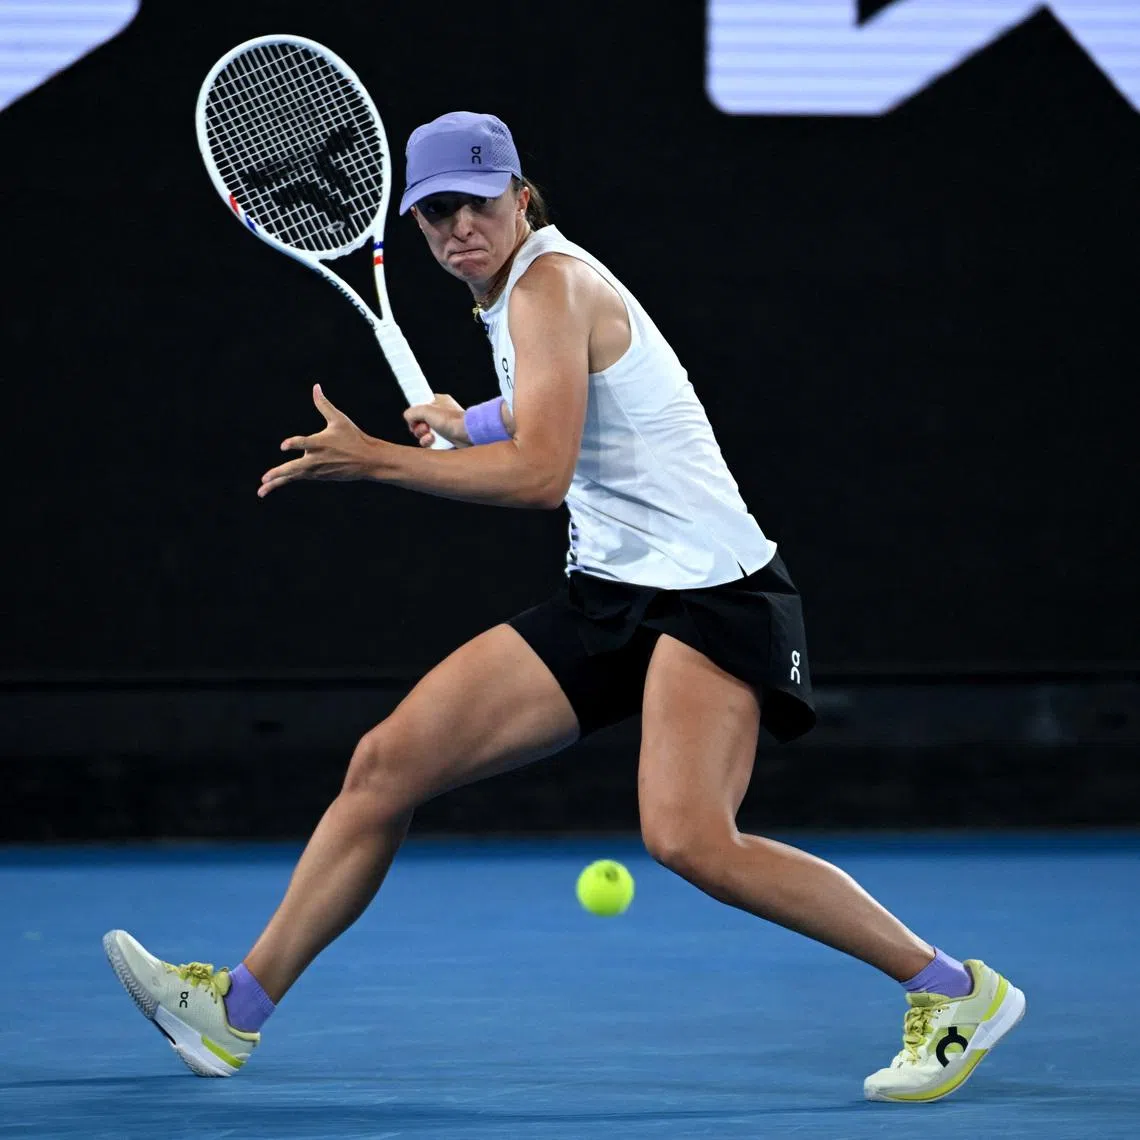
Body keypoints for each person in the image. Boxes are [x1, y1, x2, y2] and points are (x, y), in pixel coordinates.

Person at [103, 111, 1024, 1102]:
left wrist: (379, 460)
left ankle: (955, 989)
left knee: (688, 838)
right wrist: (471, 420)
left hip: (712, 594)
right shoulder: (519, 293)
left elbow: (542, 473)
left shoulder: (549, 282)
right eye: (436, 213)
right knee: (386, 763)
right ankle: (235, 1011)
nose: (459, 227)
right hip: (615, 590)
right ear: (414, 224)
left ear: (521, 198)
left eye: (477, 203)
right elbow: (561, 400)